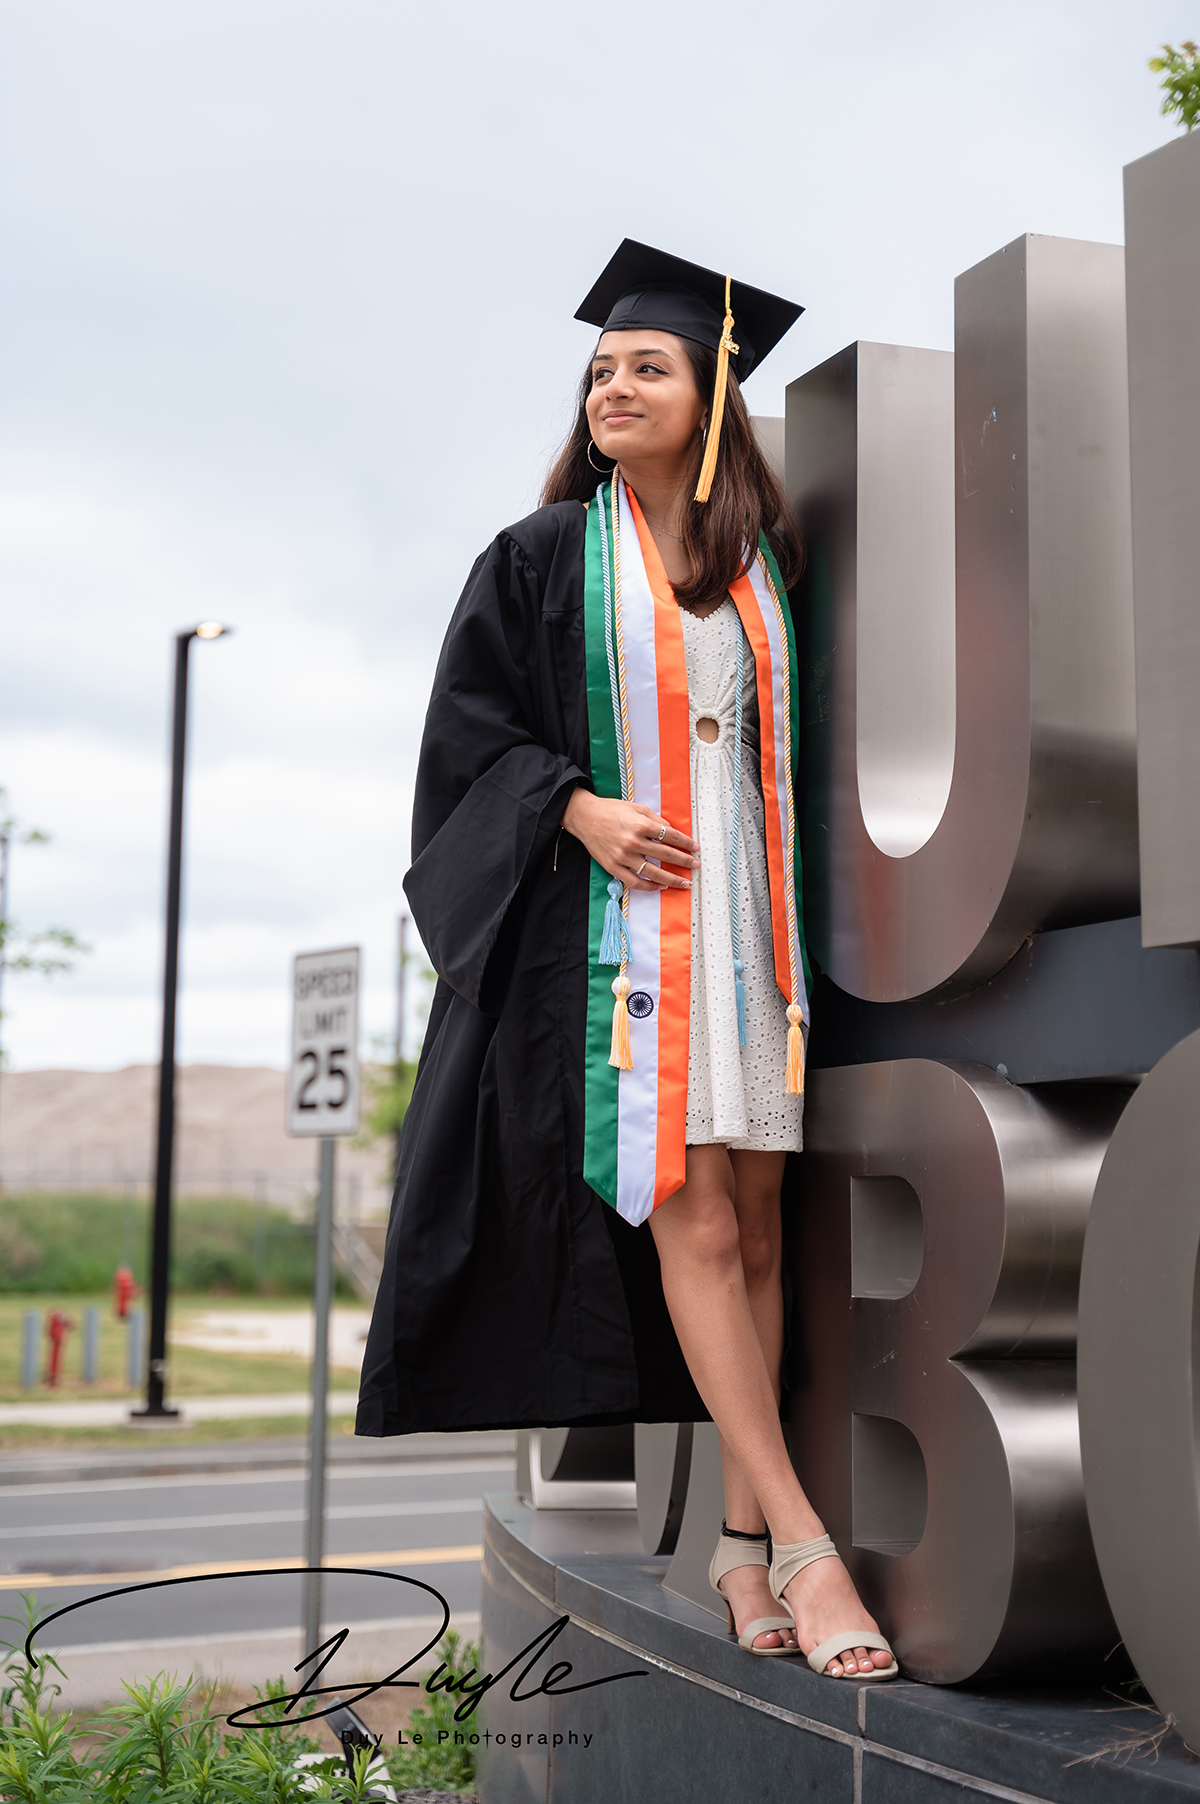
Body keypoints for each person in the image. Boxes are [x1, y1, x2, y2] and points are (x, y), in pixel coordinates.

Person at [357, 241, 896, 1682]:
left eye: (647, 367)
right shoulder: (537, 561)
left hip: (751, 943)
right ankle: (801, 1539)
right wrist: (575, 806)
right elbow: (465, 747)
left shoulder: (762, 571)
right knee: (697, 1225)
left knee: (763, 1236)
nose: (614, 385)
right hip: (622, 961)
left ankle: (733, 1549)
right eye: (600, 369)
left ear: (714, 399)